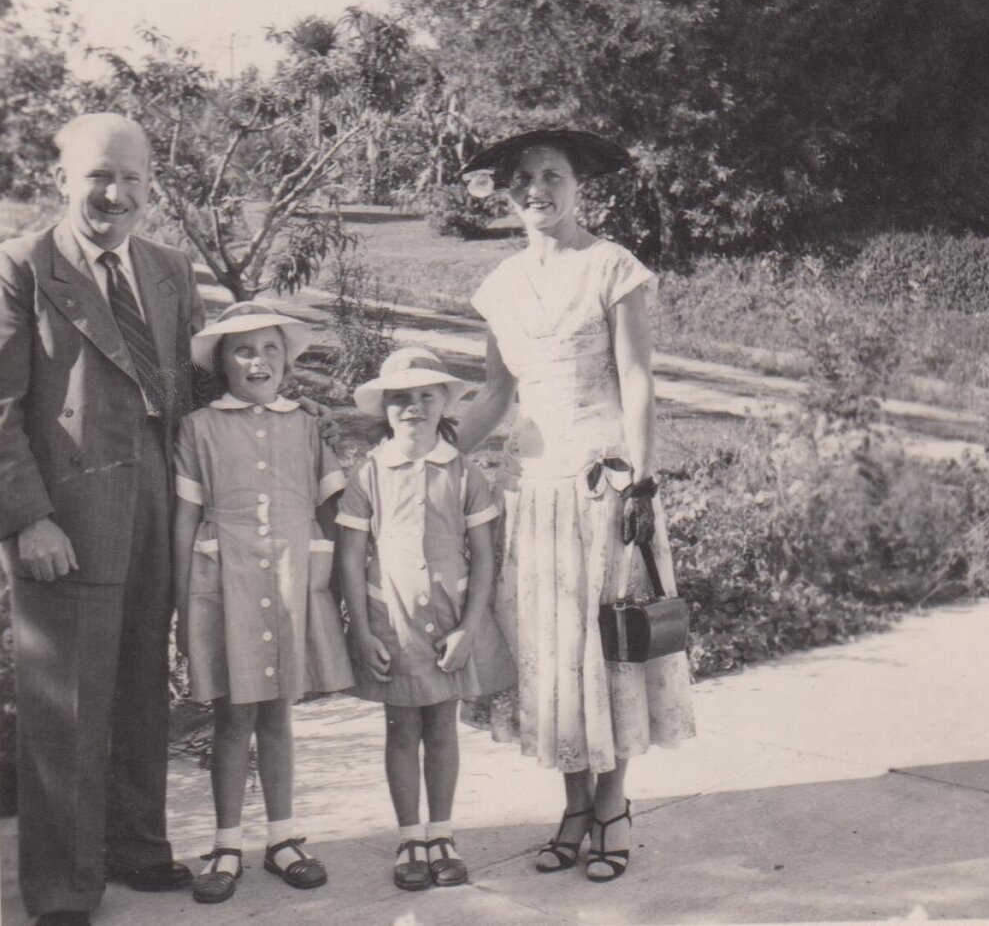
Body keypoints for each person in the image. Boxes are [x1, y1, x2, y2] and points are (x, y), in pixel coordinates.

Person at [456, 129, 696, 882]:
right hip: (531, 489)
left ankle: (613, 806)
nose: (537, 190)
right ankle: (573, 806)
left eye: (552, 175)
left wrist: (641, 480)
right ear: (506, 192)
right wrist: (427, 452)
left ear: (577, 184)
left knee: (608, 644)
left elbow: (637, 377)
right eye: (522, 178)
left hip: (605, 485)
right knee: (552, 650)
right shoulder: (499, 285)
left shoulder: (611, 267)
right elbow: (495, 393)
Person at [0, 113, 202, 926]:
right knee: (67, 704)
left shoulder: (169, 267)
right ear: (61, 179)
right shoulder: (22, 266)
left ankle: (137, 846)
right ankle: (62, 888)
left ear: (150, 185)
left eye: (131, 179)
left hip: (156, 496)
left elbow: (186, 391)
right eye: (98, 176)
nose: (115, 194)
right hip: (68, 512)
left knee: (143, 683)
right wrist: (28, 519)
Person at [173, 301, 354, 903]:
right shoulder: (198, 427)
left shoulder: (306, 425)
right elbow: (185, 519)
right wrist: (182, 606)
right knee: (232, 716)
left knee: (277, 714)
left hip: (290, 583)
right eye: (243, 350)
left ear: (286, 360)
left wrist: (344, 590)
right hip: (225, 585)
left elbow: (336, 509)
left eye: (270, 349)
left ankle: (282, 839)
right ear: (221, 362)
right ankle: (226, 844)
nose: (258, 361)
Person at [336, 347, 516, 891]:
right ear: (384, 409)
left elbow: (483, 556)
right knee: (400, 729)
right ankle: (410, 837)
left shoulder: (462, 473)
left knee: (441, 727)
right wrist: (361, 630)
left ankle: (442, 834)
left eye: (425, 396)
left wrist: (469, 628)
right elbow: (350, 558)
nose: (413, 407)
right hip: (391, 621)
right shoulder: (370, 473)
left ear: (444, 404)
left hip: (448, 621)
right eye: (400, 399)